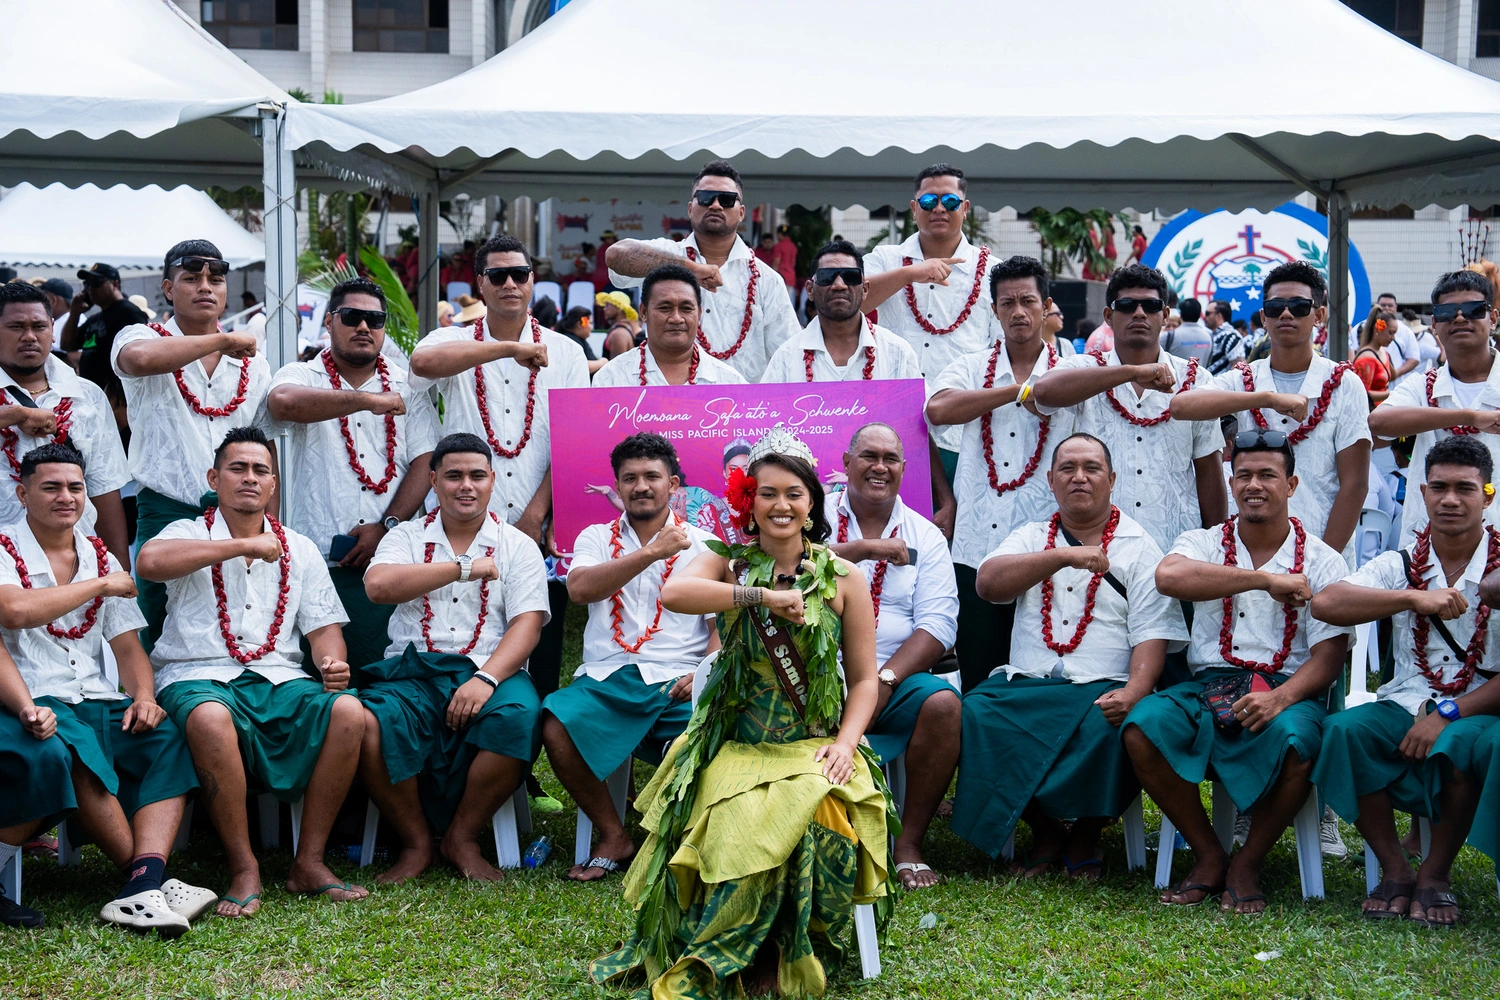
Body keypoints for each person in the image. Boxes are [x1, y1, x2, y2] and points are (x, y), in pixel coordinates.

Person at [592, 425, 891, 997]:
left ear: (812, 504)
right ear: (747, 501)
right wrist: (765, 596)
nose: (781, 505)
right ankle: (737, 951)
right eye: (767, 492)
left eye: (794, 494)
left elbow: (863, 681)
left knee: (819, 813)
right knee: (736, 821)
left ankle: (791, 944)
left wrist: (847, 743)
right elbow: (674, 594)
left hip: (814, 742)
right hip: (738, 740)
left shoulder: (845, 577)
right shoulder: (725, 562)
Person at [137, 427, 366, 916]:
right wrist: (240, 548)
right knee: (209, 718)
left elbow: (324, 627)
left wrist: (333, 662)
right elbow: (150, 562)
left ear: (273, 484)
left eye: (260, 470)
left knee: (349, 712)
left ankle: (309, 861)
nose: (249, 478)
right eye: (237, 468)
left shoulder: (299, 548)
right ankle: (244, 866)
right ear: (214, 477)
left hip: (278, 677)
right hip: (195, 674)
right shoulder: (187, 532)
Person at [1123, 431, 1351, 913]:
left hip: (1288, 689)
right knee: (1144, 727)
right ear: (1231, 483)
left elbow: (1330, 658)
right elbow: (1169, 577)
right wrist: (1265, 580)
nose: (1254, 485)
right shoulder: (1204, 542)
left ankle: (1248, 862)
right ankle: (1209, 854)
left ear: (1291, 484)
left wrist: (1282, 697)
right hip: (1209, 685)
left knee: (1298, 744)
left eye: (1267, 475)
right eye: (1244, 475)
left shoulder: (1323, 560)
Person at [0, 443, 210, 933]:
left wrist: (143, 696)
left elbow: (127, 646)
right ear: (22, 492)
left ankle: (145, 880)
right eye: (50, 486)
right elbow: (13, 612)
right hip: (35, 697)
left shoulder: (100, 554)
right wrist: (99, 585)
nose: (66, 496)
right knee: (77, 752)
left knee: (164, 739)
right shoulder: (3, 546)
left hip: (95, 696)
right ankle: (145, 885)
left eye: (76, 486)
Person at [954, 433, 1186, 876]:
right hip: (1027, 683)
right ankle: (1045, 830)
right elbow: (988, 584)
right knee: (976, 713)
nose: (1079, 477)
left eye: (1091, 468)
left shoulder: (1139, 546)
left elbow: (1154, 632)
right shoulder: (1030, 536)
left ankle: (1085, 834)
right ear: (1051, 480)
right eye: (1068, 469)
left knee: (1116, 725)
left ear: (1112, 479)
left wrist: (1136, 690)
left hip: (1101, 685)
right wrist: (1062, 555)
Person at [1310, 436, 1500, 926]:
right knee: (1344, 731)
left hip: (1481, 706)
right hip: (1407, 699)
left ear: (1488, 495)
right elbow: (1327, 602)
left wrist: (1448, 713)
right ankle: (1395, 868)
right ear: (1422, 491)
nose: (1450, 499)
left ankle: (1436, 875)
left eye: (1465, 488)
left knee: (1456, 743)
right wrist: (1412, 599)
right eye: (1438, 487)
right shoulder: (1401, 564)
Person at [357, 433, 548, 884]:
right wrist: (463, 568)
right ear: (433, 481)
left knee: (520, 716)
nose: (467, 485)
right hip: (413, 669)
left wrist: (486, 679)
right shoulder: (404, 537)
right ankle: (416, 841)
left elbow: (528, 625)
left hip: (491, 668)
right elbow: (378, 587)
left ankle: (461, 837)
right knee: (369, 722)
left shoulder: (515, 544)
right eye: (454, 475)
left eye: (477, 475)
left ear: (492, 481)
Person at [542, 433, 717, 882]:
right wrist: (650, 553)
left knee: (712, 740)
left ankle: (681, 842)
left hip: (679, 678)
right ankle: (613, 833)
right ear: (617, 488)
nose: (641, 486)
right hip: (607, 676)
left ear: (673, 484)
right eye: (630, 479)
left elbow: (721, 629)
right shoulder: (595, 537)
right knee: (557, 725)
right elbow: (579, 590)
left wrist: (703, 676)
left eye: (652, 477)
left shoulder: (705, 544)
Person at [258, 277, 439, 670]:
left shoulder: (407, 384)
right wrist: (367, 402)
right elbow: (282, 403)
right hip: (318, 557)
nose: (363, 327)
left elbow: (427, 462)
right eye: (352, 316)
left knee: (388, 675)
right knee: (324, 677)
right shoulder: (304, 375)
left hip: (393, 555)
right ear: (328, 321)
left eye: (374, 319)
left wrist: (386, 526)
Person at [111, 241, 271, 649]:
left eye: (215, 280)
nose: (205, 287)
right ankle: (144, 706)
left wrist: (271, 520)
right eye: (191, 278)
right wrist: (220, 341)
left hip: (236, 513)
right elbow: (140, 361)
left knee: (232, 623)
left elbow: (262, 445)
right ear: (167, 289)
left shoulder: (254, 363)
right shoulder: (141, 334)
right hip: (164, 507)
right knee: (154, 620)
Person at [927, 255, 1075, 689]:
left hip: (1043, 547)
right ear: (993, 310)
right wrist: (1021, 391)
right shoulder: (973, 367)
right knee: (977, 672)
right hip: (976, 547)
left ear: (1046, 306)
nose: (1018, 312)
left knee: (1039, 669)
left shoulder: (1069, 371)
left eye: (1027, 301)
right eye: (1007, 303)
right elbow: (937, 409)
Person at [825, 422, 958, 890]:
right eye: (868, 456)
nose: (879, 467)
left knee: (943, 704)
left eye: (891, 459)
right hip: (819, 672)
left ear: (904, 469)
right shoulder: (812, 515)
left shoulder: (926, 535)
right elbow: (785, 564)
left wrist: (882, 681)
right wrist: (861, 549)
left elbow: (938, 625)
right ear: (846, 462)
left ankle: (909, 845)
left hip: (894, 676)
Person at [1170, 261, 1371, 561]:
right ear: (1264, 317)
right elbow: (1181, 406)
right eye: (1275, 307)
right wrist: (1264, 399)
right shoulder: (1243, 379)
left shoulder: (1344, 384)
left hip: (1325, 547)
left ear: (1319, 315)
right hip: (1253, 553)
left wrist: (1322, 562)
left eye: (1299, 307)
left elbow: (1354, 484)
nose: (1286, 314)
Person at [1031, 263, 1227, 555]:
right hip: (1095, 552)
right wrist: (1131, 373)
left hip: (1175, 548)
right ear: (1109, 316)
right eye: (1126, 305)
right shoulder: (1085, 370)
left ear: (1164, 316)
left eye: (1150, 305)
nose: (1139, 313)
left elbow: (1208, 469)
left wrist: (1217, 548)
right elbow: (1042, 394)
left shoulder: (1196, 379)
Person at [409, 234, 587, 538]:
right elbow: (421, 364)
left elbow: (573, 441)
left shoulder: (567, 352)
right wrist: (508, 349)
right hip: (461, 525)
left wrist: (536, 514)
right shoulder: (455, 341)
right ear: (480, 284)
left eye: (519, 274)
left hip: (537, 526)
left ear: (531, 280)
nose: (509, 284)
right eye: (497, 276)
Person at [859, 164, 999, 527]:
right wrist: (912, 273)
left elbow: (1000, 352)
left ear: (965, 209)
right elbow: (852, 302)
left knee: (960, 538)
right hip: (894, 430)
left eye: (950, 200)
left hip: (964, 433)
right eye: (930, 200)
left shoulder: (993, 270)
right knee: (892, 539)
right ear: (914, 207)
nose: (940, 208)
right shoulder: (886, 260)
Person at [606, 161, 798, 382]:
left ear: (742, 212)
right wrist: (691, 269)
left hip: (742, 407)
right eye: (706, 198)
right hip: (668, 404)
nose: (715, 205)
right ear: (690, 208)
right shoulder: (669, 255)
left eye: (726, 200)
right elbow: (615, 256)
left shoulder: (767, 280)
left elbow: (787, 357)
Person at [0, 283, 131, 565]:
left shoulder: (88, 396)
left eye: (39, 326)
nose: (29, 337)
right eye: (15, 327)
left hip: (75, 563)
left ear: (51, 328)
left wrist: (119, 565)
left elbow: (104, 486)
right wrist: (14, 415)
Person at [1369, 269, 1500, 546]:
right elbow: (1379, 422)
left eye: (1473, 309)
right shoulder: (1421, 387)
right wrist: (1471, 417)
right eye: (1447, 312)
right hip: (1427, 551)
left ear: (1493, 318)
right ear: (1434, 324)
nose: (1460, 318)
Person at [760, 240, 921, 383]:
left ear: (865, 289)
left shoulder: (897, 353)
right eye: (827, 276)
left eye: (850, 276)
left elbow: (915, 412)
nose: (839, 285)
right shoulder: (786, 357)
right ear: (810, 290)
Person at [591, 265, 745, 387]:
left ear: (699, 314)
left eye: (686, 308)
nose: (677, 318)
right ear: (644, 312)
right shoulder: (611, 378)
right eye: (665, 308)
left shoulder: (730, 382)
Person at [60, 263, 149, 422]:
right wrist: (74, 312)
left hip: (117, 403)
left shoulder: (128, 312)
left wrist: (120, 393)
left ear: (115, 284)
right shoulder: (96, 318)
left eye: (96, 283)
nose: (89, 289)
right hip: (94, 398)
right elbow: (67, 345)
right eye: (86, 284)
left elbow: (142, 354)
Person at [1352, 305, 1398, 404]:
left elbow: (1393, 376)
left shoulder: (1383, 352)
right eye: (1390, 333)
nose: (1393, 337)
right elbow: (1362, 394)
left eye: (1394, 333)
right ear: (1378, 329)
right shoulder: (1367, 359)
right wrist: (1392, 394)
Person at [1161, 297, 1212, 364]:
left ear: (1181, 314)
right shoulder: (1209, 337)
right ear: (1200, 314)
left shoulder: (1169, 336)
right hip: (1202, 374)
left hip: (1174, 374)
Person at [596, 290, 641, 358]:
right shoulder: (624, 329)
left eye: (608, 305)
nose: (604, 309)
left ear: (619, 307)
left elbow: (617, 367)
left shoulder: (619, 333)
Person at [1205, 299, 1244, 374]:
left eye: (1208, 313)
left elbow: (1238, 366)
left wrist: (1223, 384)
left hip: (1219, 384)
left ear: (1219, 316)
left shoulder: (1231, 336)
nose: (1204, 317)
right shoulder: (1212, 334)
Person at [770, 224, 799, 301]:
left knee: (778, 301)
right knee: (787, 301)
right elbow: (793, 263)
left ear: (779, 234)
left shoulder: (778, 246)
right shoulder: (793, 246)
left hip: (781, 277)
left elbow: (776, 263)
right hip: (791, 277)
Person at [38, 279, 72, 343]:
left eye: (43, 300)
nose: (40, 304)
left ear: (53, 300)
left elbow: (75, 353)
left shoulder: (73, 323)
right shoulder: (67, 319)